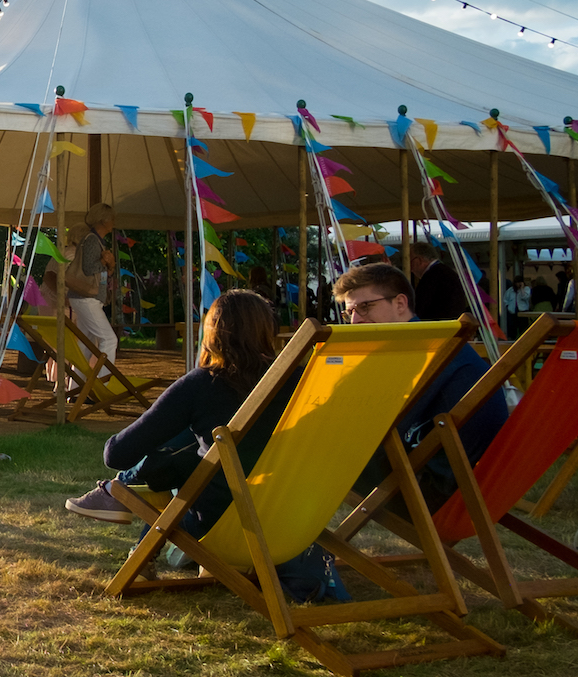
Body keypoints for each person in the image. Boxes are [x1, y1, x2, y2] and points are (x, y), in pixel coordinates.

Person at [64, 290, 283, 524]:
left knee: (187, 442)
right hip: (286, 513)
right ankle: (119, 498)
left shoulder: (203, 384)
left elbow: (116, 454)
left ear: (214, 333)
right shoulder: (297, 381)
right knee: (197, 439)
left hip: (222, 522)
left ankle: (115, 491)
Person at [336, 261, 508, 513]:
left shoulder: (421, 354)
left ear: (400, 303)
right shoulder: (438, 345)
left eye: (365, 307)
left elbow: (378, 430)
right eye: (349, 312)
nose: (355, 320)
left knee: (308, 457)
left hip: (432, 493)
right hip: (477, 488)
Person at [66, 205, 118, 364]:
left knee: (85, 344)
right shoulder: (92, 241)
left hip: (88, 298)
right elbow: (89, 269)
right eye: (111, 218)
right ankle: (103, 381)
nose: (113, 222)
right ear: (103, 220)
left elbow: (99, 274)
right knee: (109, 339)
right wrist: (104, 261)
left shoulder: (97, 241)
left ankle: (77, 385)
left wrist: (110, 267)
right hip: (86, 298)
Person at [409, 249, 468, 322]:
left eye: (411, 262)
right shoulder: (446, 271)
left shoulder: (431, 275)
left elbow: (420, 306)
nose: (410, 268)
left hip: (438, 325)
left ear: (419, 260)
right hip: (454, 322)